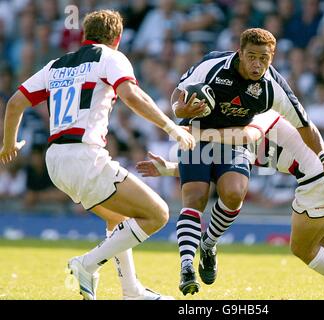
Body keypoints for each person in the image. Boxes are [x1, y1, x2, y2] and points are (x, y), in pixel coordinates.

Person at [0, 10, 195, 300]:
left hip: (57, 160)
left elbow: (15, 103)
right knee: (157, 214)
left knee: (117, 220)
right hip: (84, 155)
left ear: (84, 36)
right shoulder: (110, 57)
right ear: (117, 38)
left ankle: (131, 291)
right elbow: (130, 95)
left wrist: (8, 145)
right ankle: (86, 264)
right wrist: (171, 128)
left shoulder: (55, 65)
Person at [137, 109, 324, 300]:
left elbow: (245, 135)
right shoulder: (240, 138)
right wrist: (171, 169)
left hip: (318, 181)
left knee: (301, 249)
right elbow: (215, 167)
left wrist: (197, 133)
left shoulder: (262, 115)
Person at [170, 27, 324, 295]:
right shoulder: (213, 65)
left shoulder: (273, 87)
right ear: (239, 53)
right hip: (196, 133)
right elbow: (178, 94)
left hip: (235, 140)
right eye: (251, 56)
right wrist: (179, 109)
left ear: (271, 57)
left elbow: (305, 124)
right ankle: (185, 268)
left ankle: (208, 245)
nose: (257, 64)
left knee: (234, 194)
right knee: (195, 197)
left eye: (264, 58)